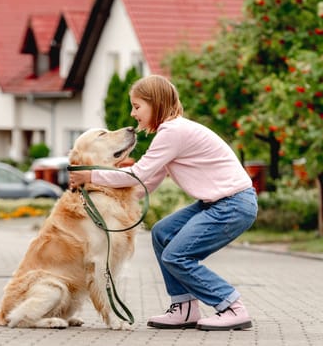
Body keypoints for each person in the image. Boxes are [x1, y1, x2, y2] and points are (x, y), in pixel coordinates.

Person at [68, 75, 258, 331]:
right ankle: (184, 307)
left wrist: (90, 175)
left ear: (155, 103)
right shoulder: (171, 133)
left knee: (177, 256)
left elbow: (137, 175)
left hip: (232, 204)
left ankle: (231, 306)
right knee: (162, 232)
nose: (133, 114)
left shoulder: (173, 132)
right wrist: (103, 202)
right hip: (219, 203)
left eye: (137, 107)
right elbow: (146, 184)